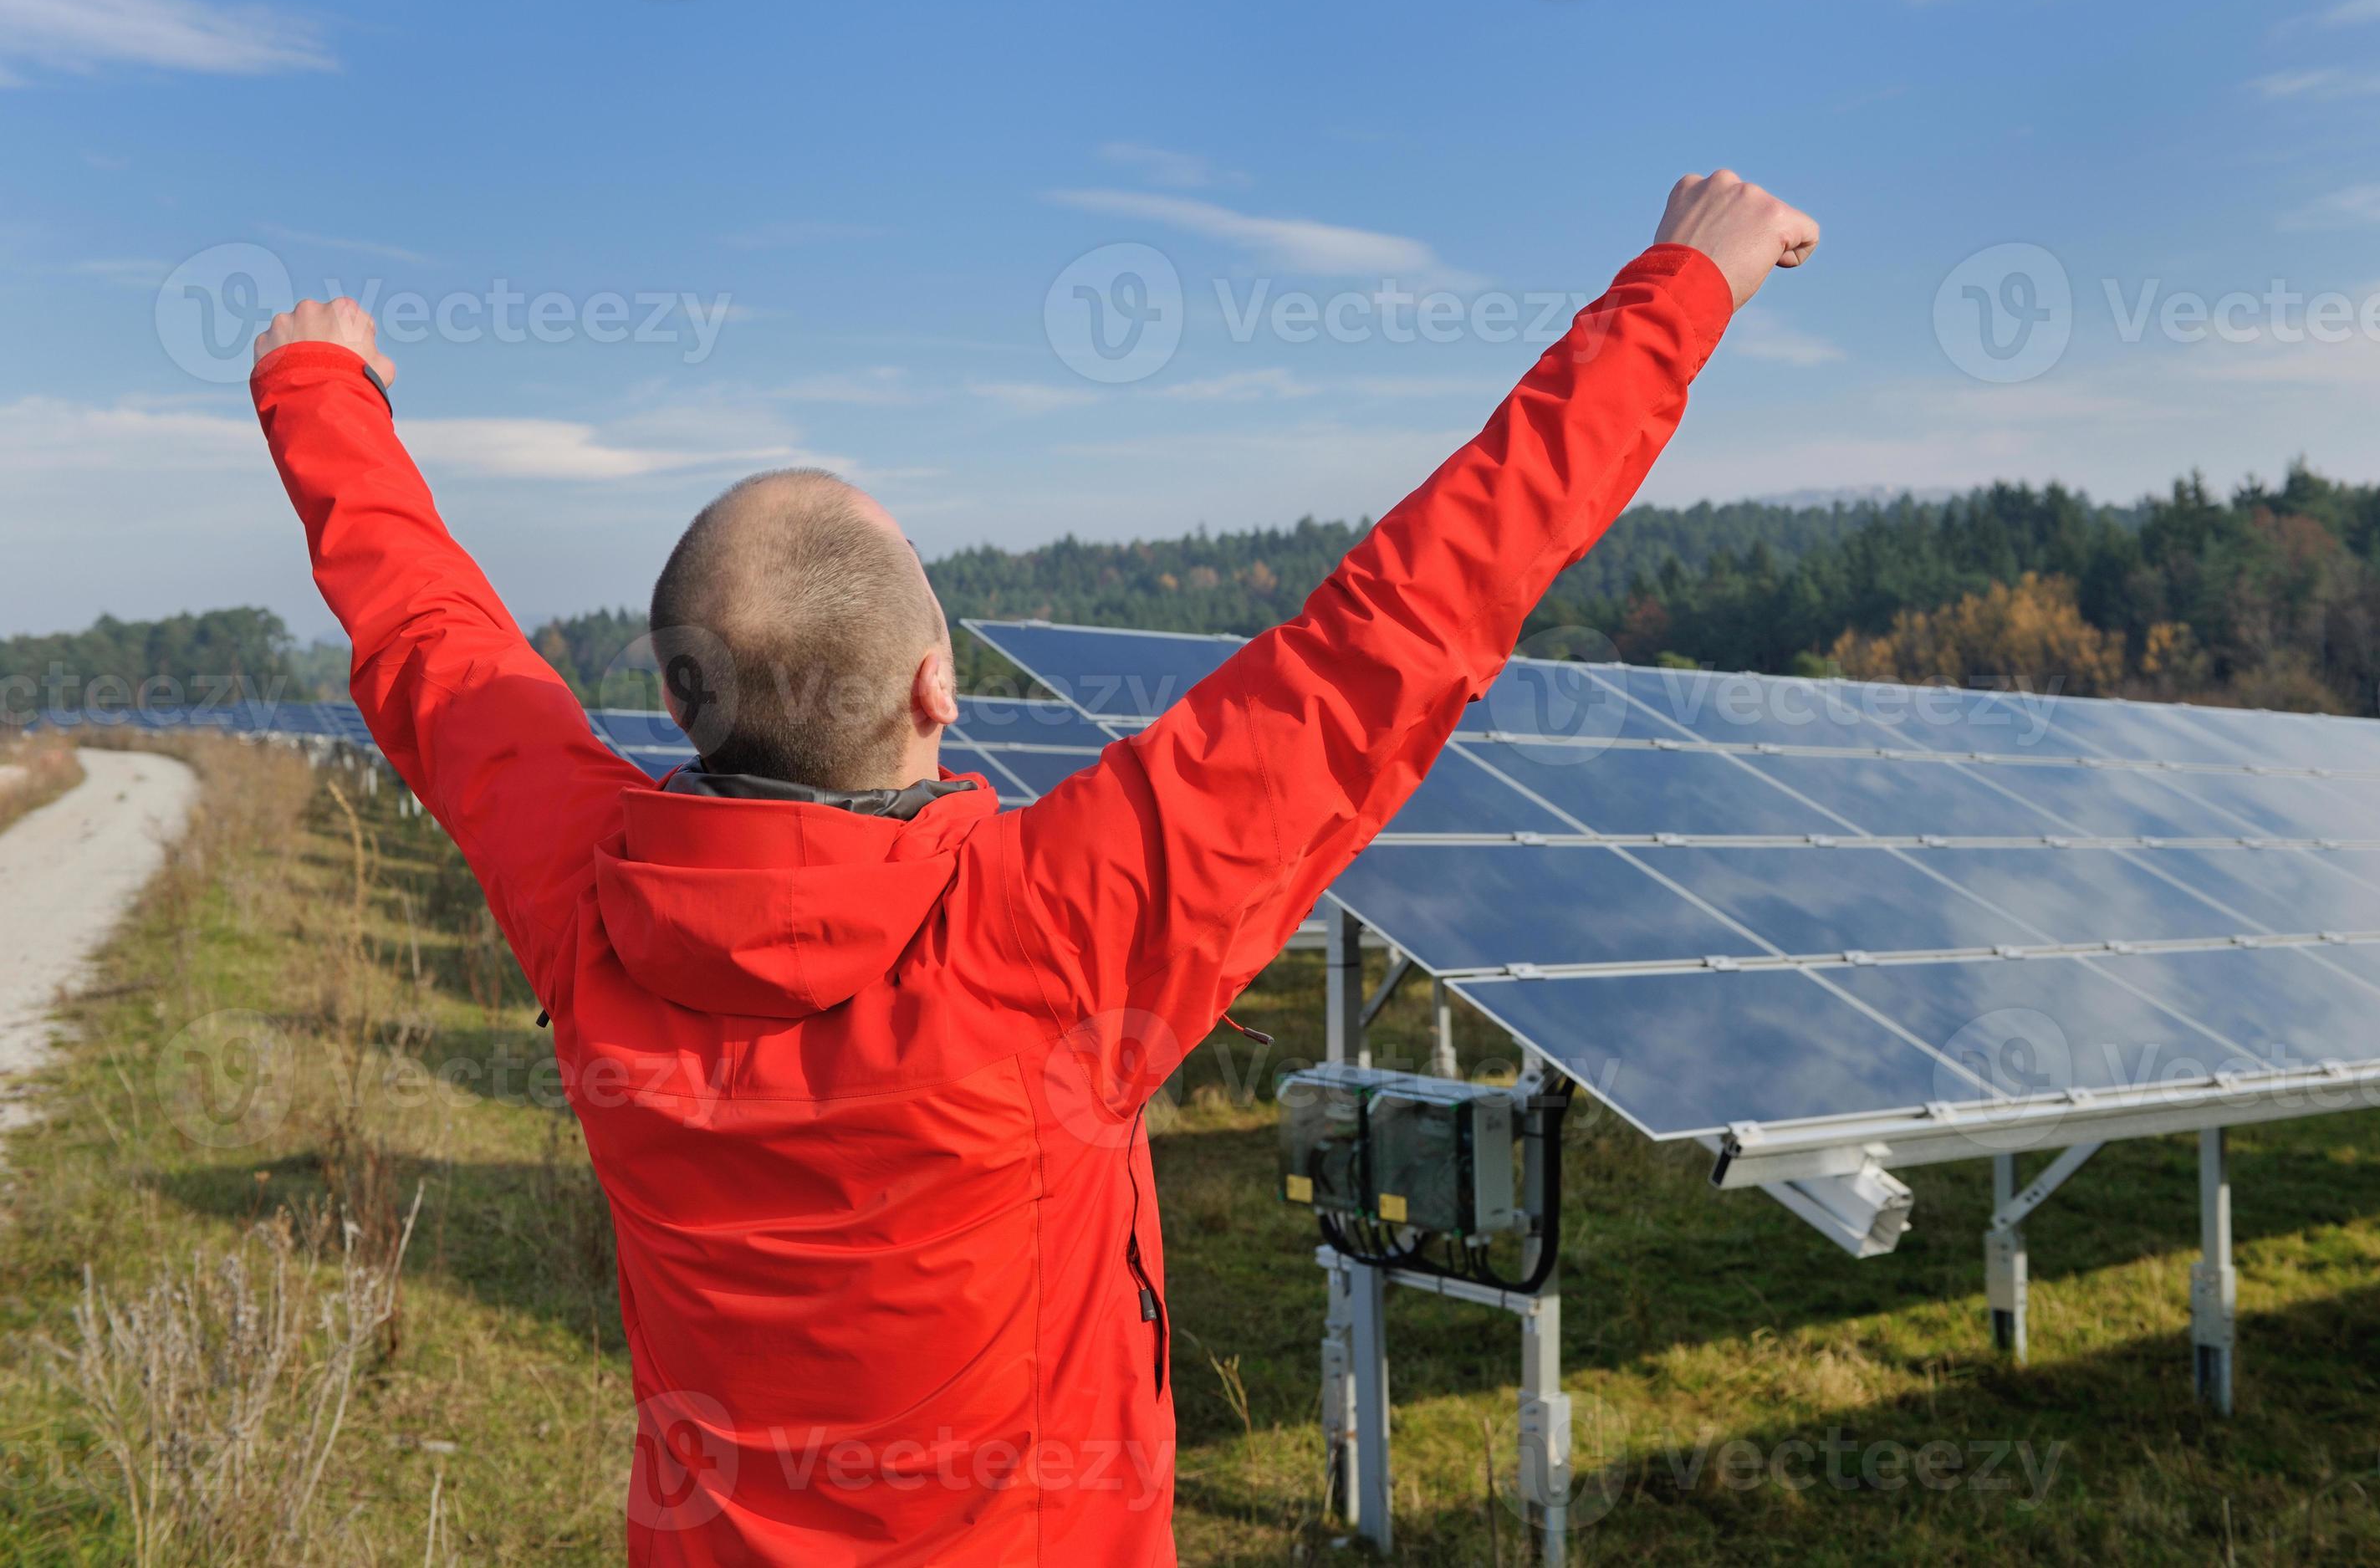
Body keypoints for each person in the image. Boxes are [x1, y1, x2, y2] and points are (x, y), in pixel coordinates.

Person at [248, 171, 1816, 1565]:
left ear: (672, 700)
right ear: (942, 688)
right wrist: (1679, 290)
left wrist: (321, 394)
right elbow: (1402, 627)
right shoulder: (1044, 937)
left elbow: (433, 650)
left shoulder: (583, 894)